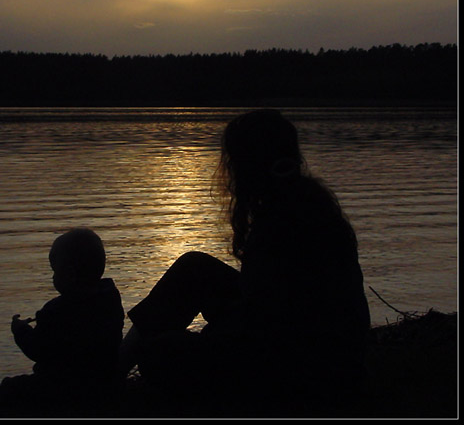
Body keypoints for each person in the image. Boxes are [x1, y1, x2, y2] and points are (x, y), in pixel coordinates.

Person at [118, 109, 371, 408]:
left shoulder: (280, 222)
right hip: (314, 347)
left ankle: (111, 376)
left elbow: (269, 328)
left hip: (305, 371)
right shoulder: (307, 200)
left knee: (158, 354)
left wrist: (208, 339)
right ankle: (113, 368)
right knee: (194, 267)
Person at [0, 228, 125, 410]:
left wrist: (20, 331)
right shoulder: (110, 299)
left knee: (10, 389)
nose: (53, 277)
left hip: (61, 386)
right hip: (103, 381)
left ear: (69, 274)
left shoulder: (56, 310)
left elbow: (38, 349)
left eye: (55, 271)